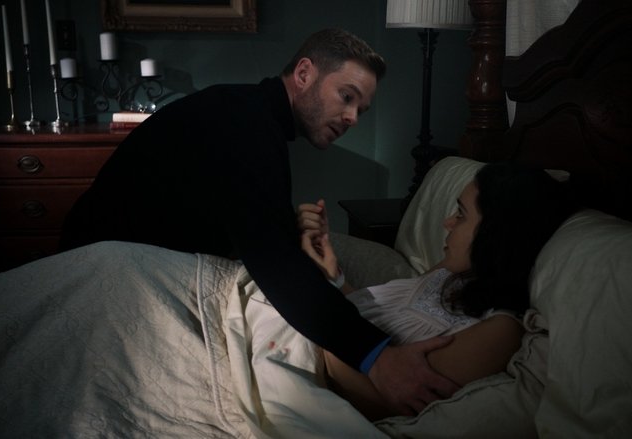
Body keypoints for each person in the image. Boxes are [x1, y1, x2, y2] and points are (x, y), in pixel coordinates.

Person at [58, 28, 455, 415]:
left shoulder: (249, 113)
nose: (352, 117)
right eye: (346, 97)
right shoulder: (246, 124)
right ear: (304, 74)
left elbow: (234, 215)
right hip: (105, 275)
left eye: (360, 110)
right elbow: (275, 262)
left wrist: (286, 227)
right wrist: (378, 358)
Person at [297, 161, 579, 420]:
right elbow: (374, 313)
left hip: (317, 359)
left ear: (497, 235)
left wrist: (320, 310)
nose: (448, 223)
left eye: (461, 214)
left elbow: (376, 403)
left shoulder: (499, 332)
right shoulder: (451, 272)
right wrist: (333, 277)